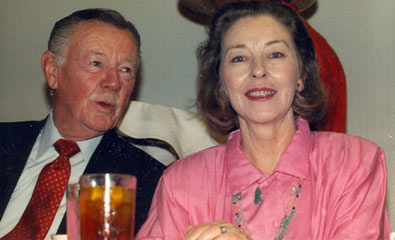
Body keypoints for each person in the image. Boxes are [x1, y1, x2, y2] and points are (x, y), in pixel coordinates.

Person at [136, 1, 390, 239]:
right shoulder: (181, 182)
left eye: (275, 54)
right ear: (221, 83)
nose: (258, 70)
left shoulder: (355, 162)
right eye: (239, 58)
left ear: (301, 74)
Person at [0, 8, 166, 239]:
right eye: (96, 63)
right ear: (52, 70)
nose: (114, 82)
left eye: (126, 70)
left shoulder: (151, 181)